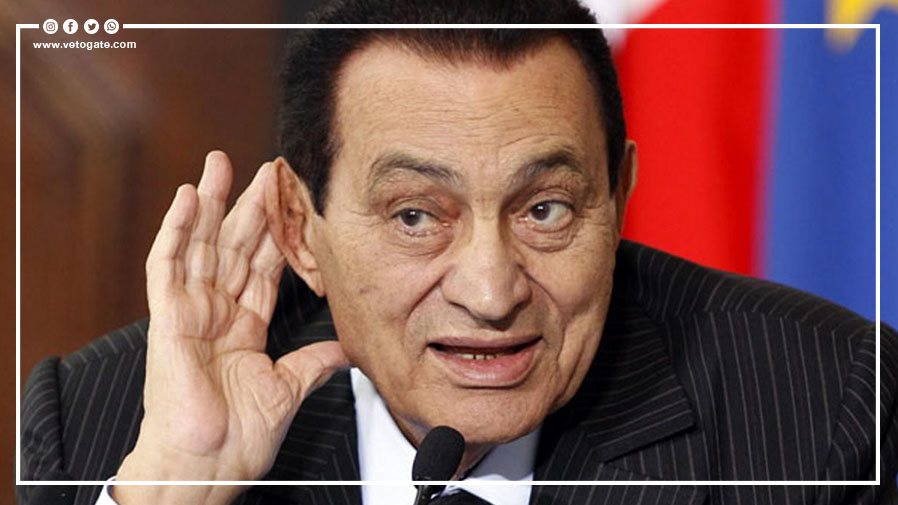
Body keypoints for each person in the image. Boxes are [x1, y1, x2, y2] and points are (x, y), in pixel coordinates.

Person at [20, 1, 898, 504]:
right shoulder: (100, 428)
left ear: (620, 195)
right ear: (298, 227)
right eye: (416, 216)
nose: (490, 289)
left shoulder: (828, 406)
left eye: (546, 209)